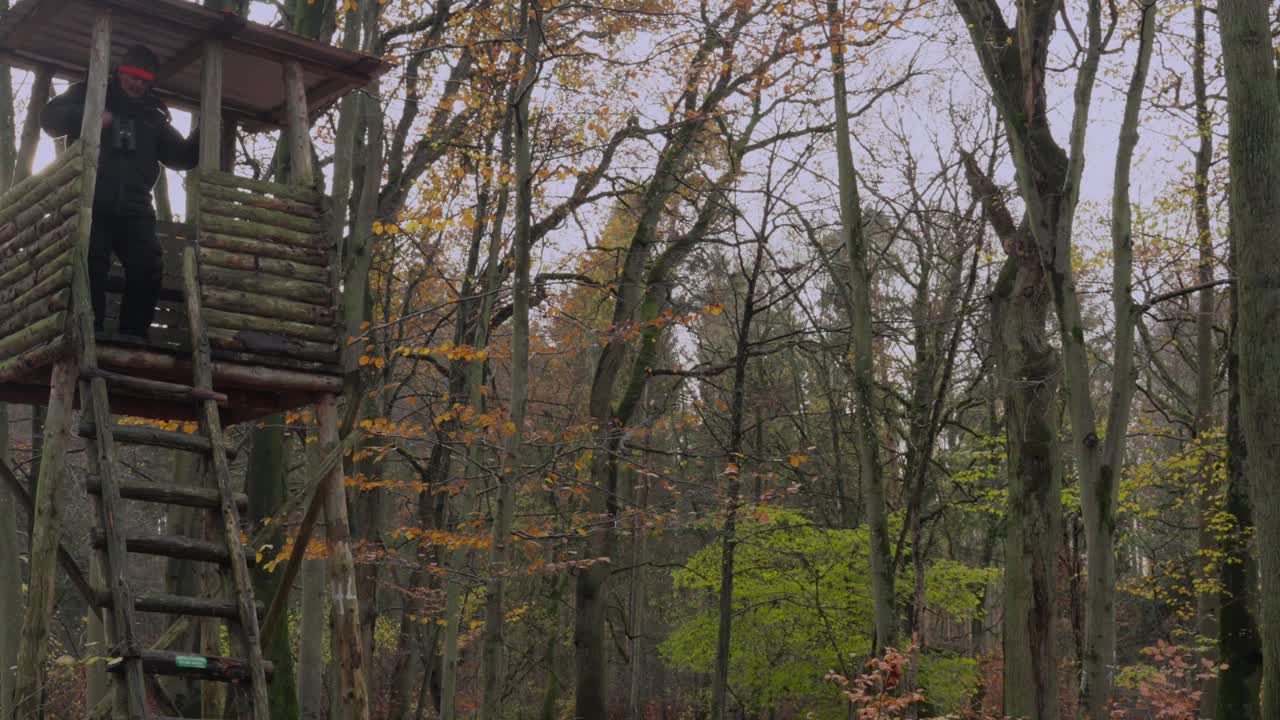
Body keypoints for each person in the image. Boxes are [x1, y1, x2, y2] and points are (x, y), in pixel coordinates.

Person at [40, 44, 199, 340]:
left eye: (144, 81)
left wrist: (205, 129)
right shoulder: (91, 91)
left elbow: (182, 158)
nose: (137, 84)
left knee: (148, 265)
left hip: (135, 208)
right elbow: (49, 119)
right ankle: (91, 330)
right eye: (133, 77)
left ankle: (133, 336)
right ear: (120, 72)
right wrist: (90, 115)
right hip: (90, 200)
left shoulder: (153, 116)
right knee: (92, 263)